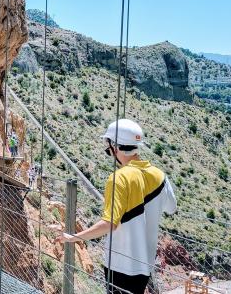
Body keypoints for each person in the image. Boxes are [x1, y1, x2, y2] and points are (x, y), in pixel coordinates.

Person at [54, 119, 177, 294]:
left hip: (120, 266)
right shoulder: (160, 176)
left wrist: (73, 237)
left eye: (109, 144)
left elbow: (109, 224)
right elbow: (171, 207)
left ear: (116, 146)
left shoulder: (118, 179)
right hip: (145, 265)